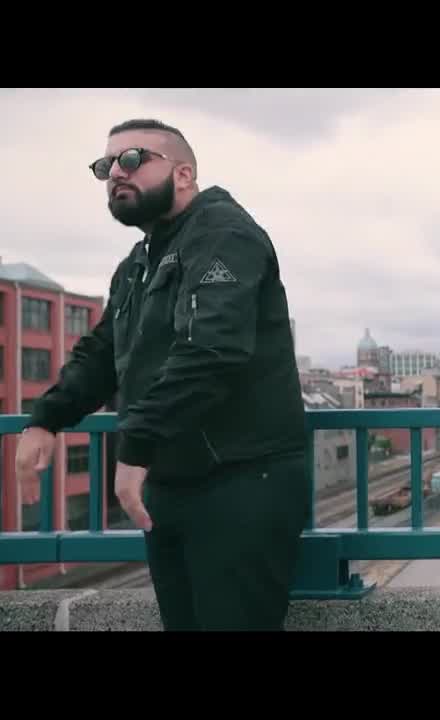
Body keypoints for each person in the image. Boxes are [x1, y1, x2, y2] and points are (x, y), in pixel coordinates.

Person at [14, 119, 309, 631]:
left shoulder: (225, 234)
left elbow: (211, 351)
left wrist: (137, 444)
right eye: (105, 167)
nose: (115, 175)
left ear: (184, 173)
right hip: (171, 488)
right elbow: (102, 353)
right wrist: (46, 417)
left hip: (241, 484)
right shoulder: (139, 261)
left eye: (132, 160)